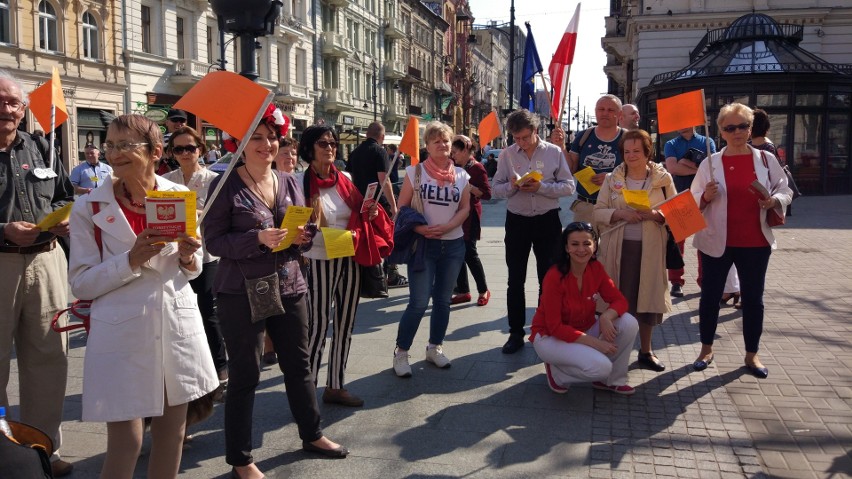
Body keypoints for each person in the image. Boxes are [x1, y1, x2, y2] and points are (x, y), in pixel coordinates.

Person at [67, 114, 219, 478]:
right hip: (121, 333)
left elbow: (193, 269)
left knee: (172, 434)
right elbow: (82, 283)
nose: (114, 154)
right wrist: (130, 259)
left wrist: (188, 254)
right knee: (126, 443)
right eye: (110, 145)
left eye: (125, 145)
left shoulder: (180, 198)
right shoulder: (89, 207)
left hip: (174, 326)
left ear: (155, 152)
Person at [203, 105, 348, 479]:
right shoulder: (224, 184)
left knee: (298, 365)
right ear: (240, 143)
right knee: (246, 373)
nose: (266, 144)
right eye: (257, 138)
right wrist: (257, 239)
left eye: (272, 137)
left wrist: (303, 237)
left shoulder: (289, 182)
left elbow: (303, 230)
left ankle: (312, 433)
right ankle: (240, 458)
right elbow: (214, 241)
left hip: (288, 283)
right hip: (240, 290)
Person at [0, 70, 75, 477]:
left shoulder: (42, 146)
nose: (5, 109)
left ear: (24, 109)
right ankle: (2, 452)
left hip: (47, 262)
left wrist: (63, 219)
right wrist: (3, 230)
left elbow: (64, 194)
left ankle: (43, 448)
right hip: (0, 263)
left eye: (12, 102)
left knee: (49, 361)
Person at [690, 103, 793, 379]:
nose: (737, 132)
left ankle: (752, 354)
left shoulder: (765, 160)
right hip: (716, 242)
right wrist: (705, 198)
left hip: (755, 242)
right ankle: (706, 349)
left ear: (751, 128)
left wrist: (774, 200)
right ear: (721, 131)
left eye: (743, 126)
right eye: (730, 128)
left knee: (753, 300)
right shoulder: (710, 162)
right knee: (710, 297)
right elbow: (692, 200)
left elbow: (785, 189)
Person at [301, 125, 390, 407]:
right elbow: (299, 226)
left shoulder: (345, 179)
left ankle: (336, 385)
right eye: (322, 143)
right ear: (310, 149)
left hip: (349, 257)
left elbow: (358, 213)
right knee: (316, 327)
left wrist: (371, 211)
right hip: (319, 260)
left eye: (333, 143)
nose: (330, 148)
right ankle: (309, 389)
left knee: (345, 323)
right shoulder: (299, 182)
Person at [492, 109, 575, 354]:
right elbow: (495, 188)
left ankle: (542, 329)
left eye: (525, 137)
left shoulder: (554, 152)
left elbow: (569, 186)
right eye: (516, 138)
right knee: (515, 279)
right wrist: (512, 186)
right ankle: (516, 332)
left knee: (547, 278)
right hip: (517, 220)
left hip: (546, 220)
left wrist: (541, 187)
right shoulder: (507, 154)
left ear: (535, 131)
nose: (521, 143)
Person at [391, 121, 471, 377]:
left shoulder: (461, 175)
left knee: (443, 301)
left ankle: (434, 347)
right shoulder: (415, 172)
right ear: (426, 146)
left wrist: (448, 227)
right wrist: (418, 229)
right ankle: (401, 352)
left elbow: (465, 208)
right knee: (418, 302)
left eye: (446, 140)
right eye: (436, 140)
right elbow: (402, 209)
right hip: (423, 245)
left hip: (453, 244)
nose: (442, 144)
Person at [594, 129, 675, 372]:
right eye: (627, 151)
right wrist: (620, 214)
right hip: (617, 249)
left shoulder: (663, 179)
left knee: (646, 302)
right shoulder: (612, 179)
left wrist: (657, 215)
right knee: (617, 300)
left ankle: (646, 351)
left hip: (650, 250)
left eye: (636, 151)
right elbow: (597, 212)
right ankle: (612, 350)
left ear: (647, 152)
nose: (631, 156)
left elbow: (677, 211)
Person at [530, 222, 639, 395]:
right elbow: (554, 327)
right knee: (601, 367)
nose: (581, 249)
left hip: (583, 330)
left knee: (628, 322)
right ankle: (558, 374)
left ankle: (612, 381)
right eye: (574, 244)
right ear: (566, 248)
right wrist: (596, 344)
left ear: (595, 246)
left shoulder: (596, 268)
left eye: (587, 243)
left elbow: (620, 301)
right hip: (550, 338)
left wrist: (605, 317)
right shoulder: (554, 276)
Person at [163, 126, 228, 395]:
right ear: (172, 153)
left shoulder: (215, 180)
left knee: (208, 311)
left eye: (190, 147)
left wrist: (198, 211)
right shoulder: (166, 180)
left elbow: (224, 215)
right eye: (179, 149)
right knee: (181, 313)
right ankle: (189, 369)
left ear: (200, 149)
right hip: (176, 254)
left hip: (208, 253)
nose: (185, 153)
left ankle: (221, 370)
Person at [663, 126, 721, 298]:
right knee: (677, 243)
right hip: (680, 196)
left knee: (705, 241)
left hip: (705, 196)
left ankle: (704, 281)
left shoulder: (707, 142)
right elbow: (673, 169)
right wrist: (698, 169)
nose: (681, 125)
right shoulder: (671, 144)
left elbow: (713, 167)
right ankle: (676, 281)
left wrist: (685, 164)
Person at [346, 122, 407, 287]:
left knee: (366, 238)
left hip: (360, 202)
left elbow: (349, 178)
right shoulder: (379, 151)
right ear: (382, 137)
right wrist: (393, 206)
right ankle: (391, 274)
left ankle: (365, 273)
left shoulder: (355, 152)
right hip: (378, 203)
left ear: (366, 135)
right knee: (388, 236)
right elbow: (384, 180)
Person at [263, 135, 300, 366]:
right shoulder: (270, 181)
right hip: (270, 249)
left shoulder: (298, 180)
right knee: (269, 299)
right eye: (285, 153)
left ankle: (286, 343)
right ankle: (268, 344)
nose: (290, 157)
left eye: (293, 153)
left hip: (295, 250)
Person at [567, 95, 626, 224]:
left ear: (620, 114)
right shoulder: (583, 136)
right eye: (601, 109)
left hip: (616, 208)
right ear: (595, 111)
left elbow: (639, 172)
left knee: (611, 245)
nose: (605, 113)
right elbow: (571, 169)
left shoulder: (628, 138)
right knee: (583, 244)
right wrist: (560, 146)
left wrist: (611, 177)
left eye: (611, 110)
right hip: (586, 207)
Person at [449, 135, 492, 307]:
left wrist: (470, 187)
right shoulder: (455, 166)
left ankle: (483, 290)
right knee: (457, 253)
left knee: (469, 254)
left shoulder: (477, 168)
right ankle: (463, 291)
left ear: (466, 150)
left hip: (470, 216)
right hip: (455, 214)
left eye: (456, 152)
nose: (453, 155)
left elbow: (487, 193)